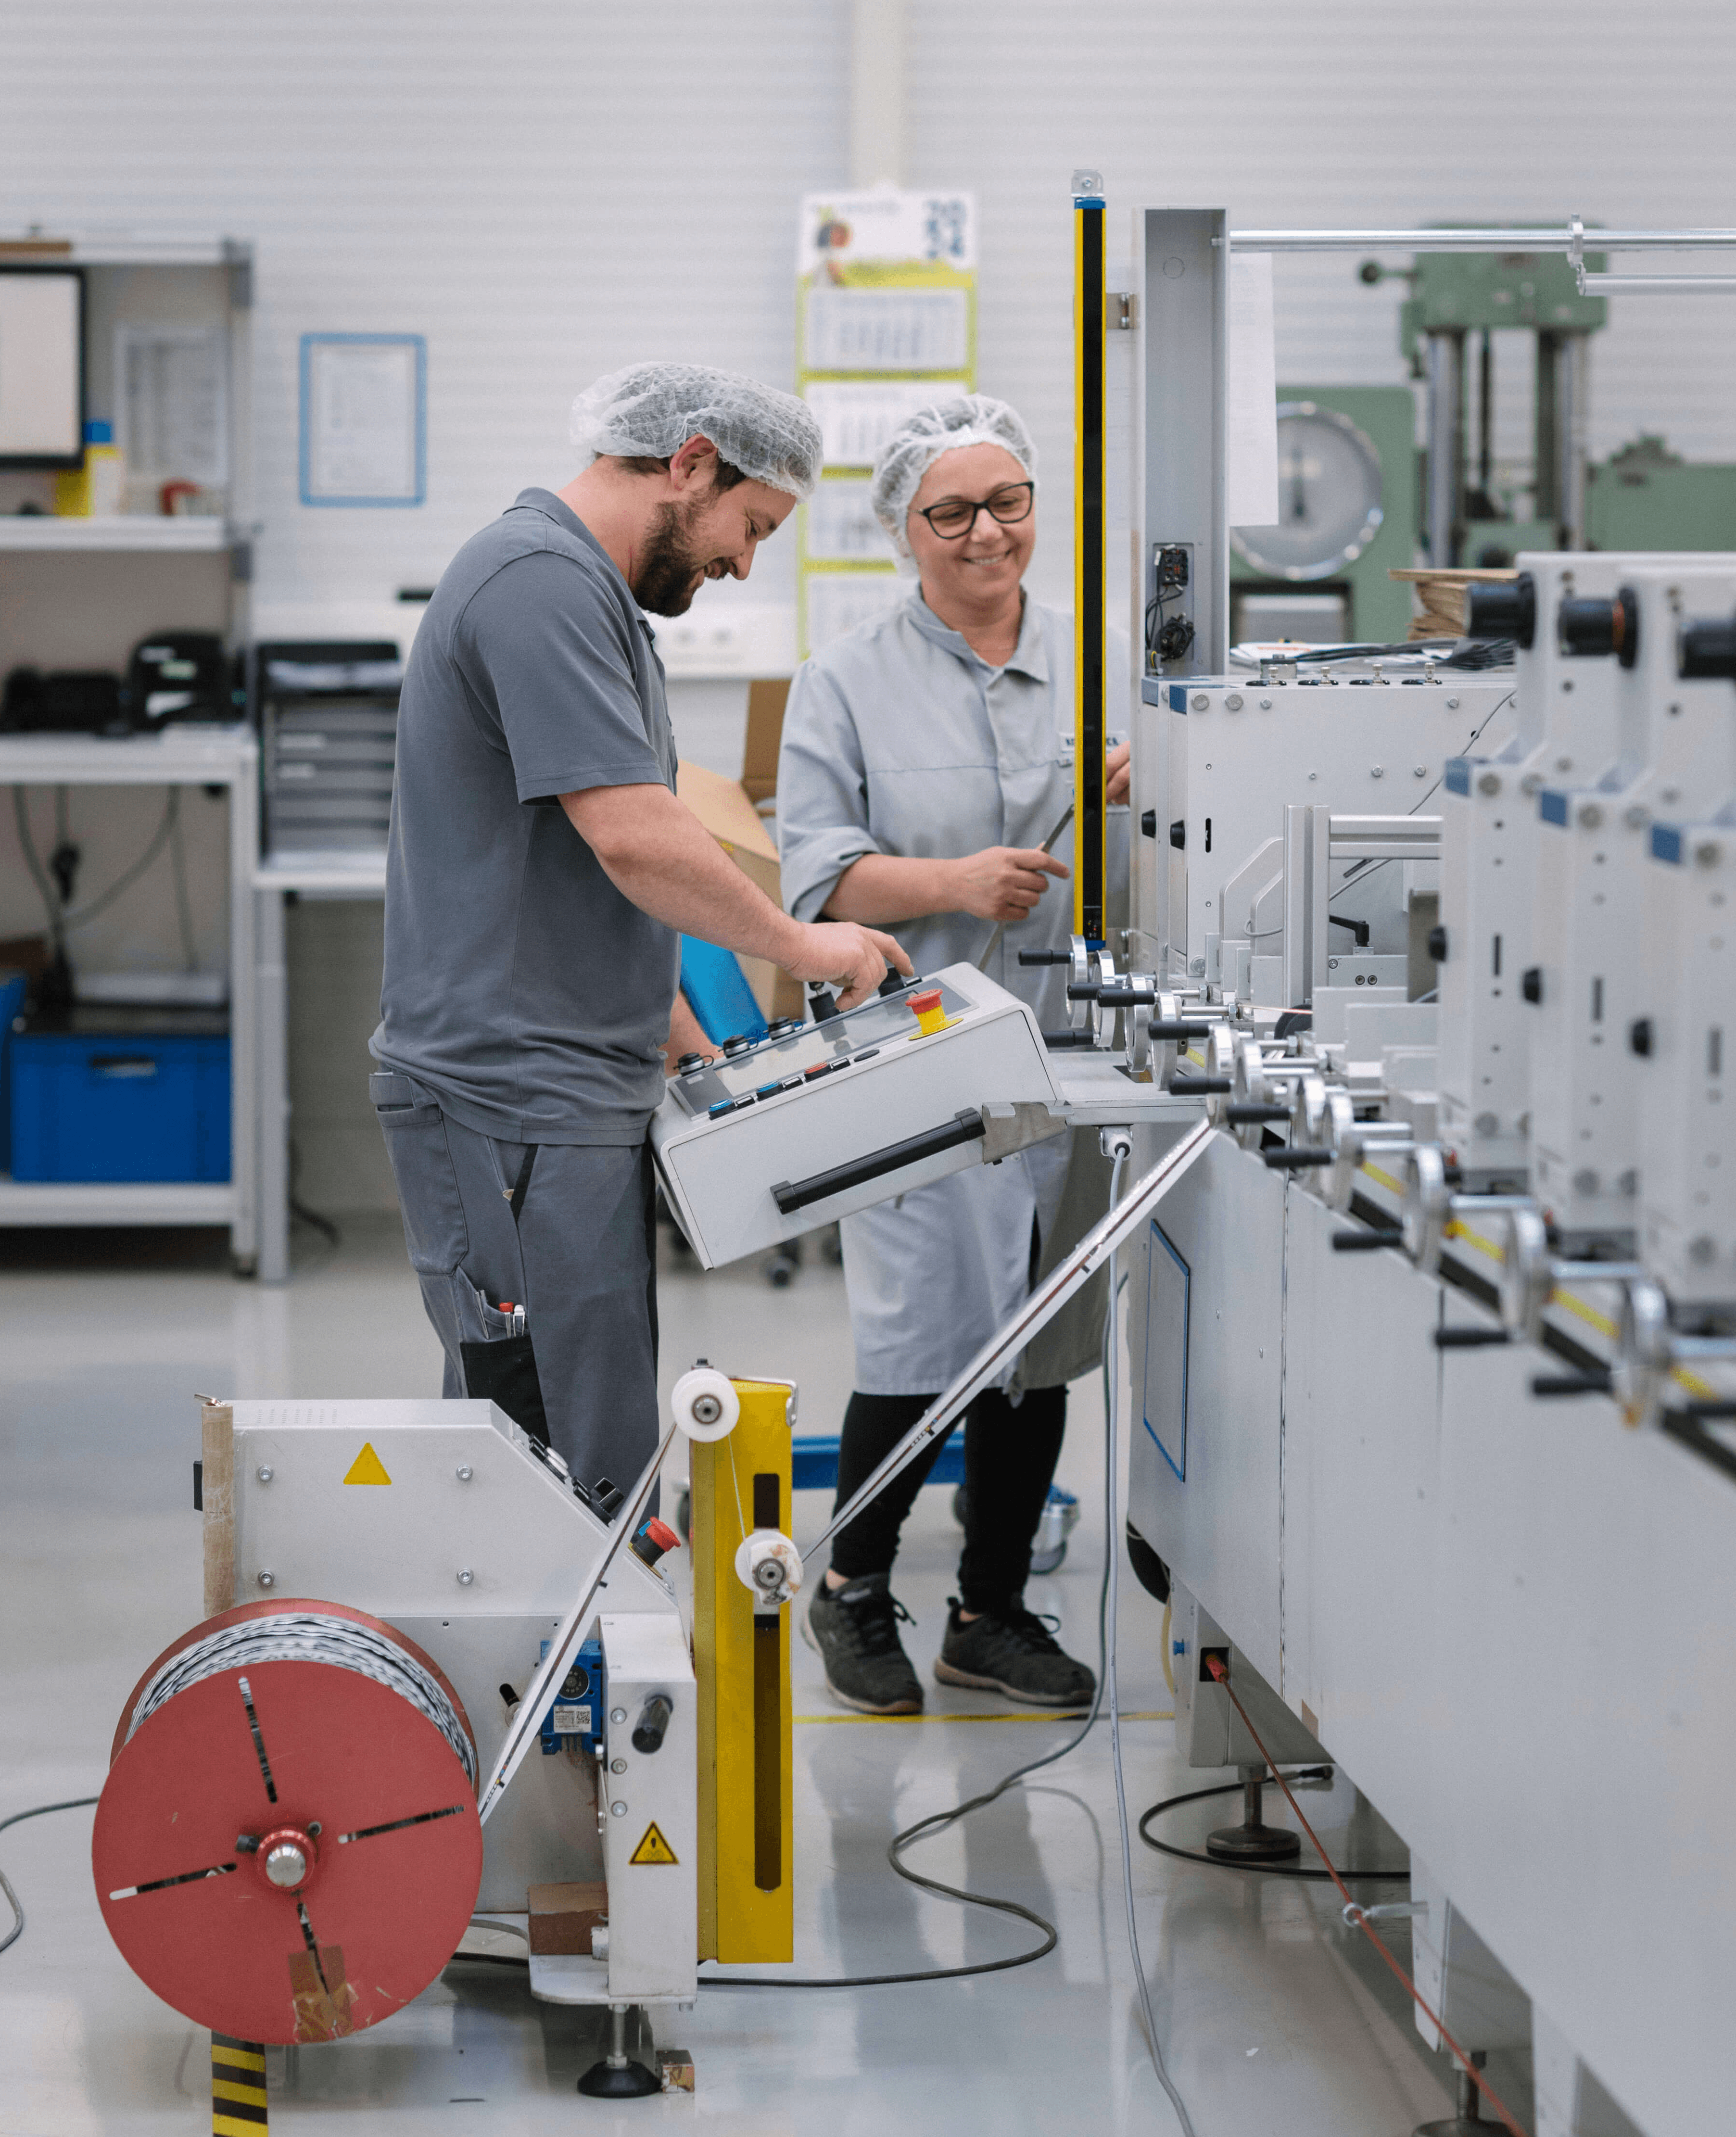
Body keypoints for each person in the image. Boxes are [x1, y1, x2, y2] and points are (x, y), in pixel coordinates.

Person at [370, 363, 909, 1516]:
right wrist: (804, 947)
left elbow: (581, 865)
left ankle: (581, 1680)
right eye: (750, 527)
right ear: (691, 462)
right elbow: (632, 836)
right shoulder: (535, 582)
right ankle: (552, 1692)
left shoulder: (597, 602)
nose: (742, 562)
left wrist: (676, 1030)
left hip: (570, 1085)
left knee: (596, 1430)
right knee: (548, 1460)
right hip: (509, 1095)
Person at [778, 394, 1131, 1713]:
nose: (988, 532)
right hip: (916, 1049)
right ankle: (853, 1587)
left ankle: (992, 1611)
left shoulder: (1093, 661)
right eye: (953, 511)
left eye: (1009, 503)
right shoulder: (847, 679)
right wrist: (954, 879)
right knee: (921, 1331)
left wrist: (1143, 785)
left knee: (1037, 1329)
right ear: (904, 532)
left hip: (1067, 1044)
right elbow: (813, 881)